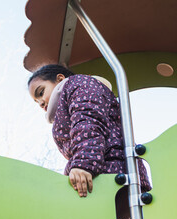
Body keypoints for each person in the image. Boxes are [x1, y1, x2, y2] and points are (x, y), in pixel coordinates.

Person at [28, 64, 151, 198]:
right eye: (36, 101)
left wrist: (83, 164)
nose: (40, 102)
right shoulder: (63, 110)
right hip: (101, 171)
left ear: (59, 79)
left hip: (113, 172)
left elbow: (89, 122)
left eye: (41, 92)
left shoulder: (79, 84)